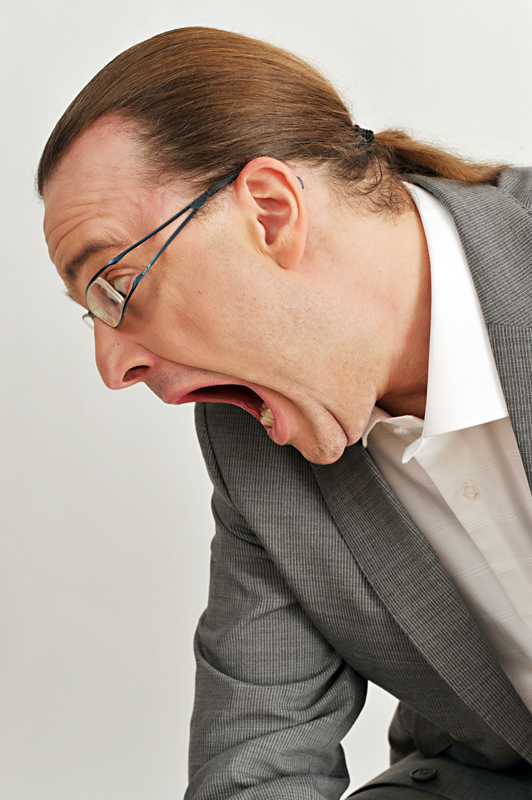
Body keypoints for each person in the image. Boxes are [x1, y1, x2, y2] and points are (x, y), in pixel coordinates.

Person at [38, 26, 532, 799]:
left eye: (116, 286)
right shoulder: (254, 445)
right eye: (89, 314)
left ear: (270, 212)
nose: (113, 368)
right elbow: (257, 764)